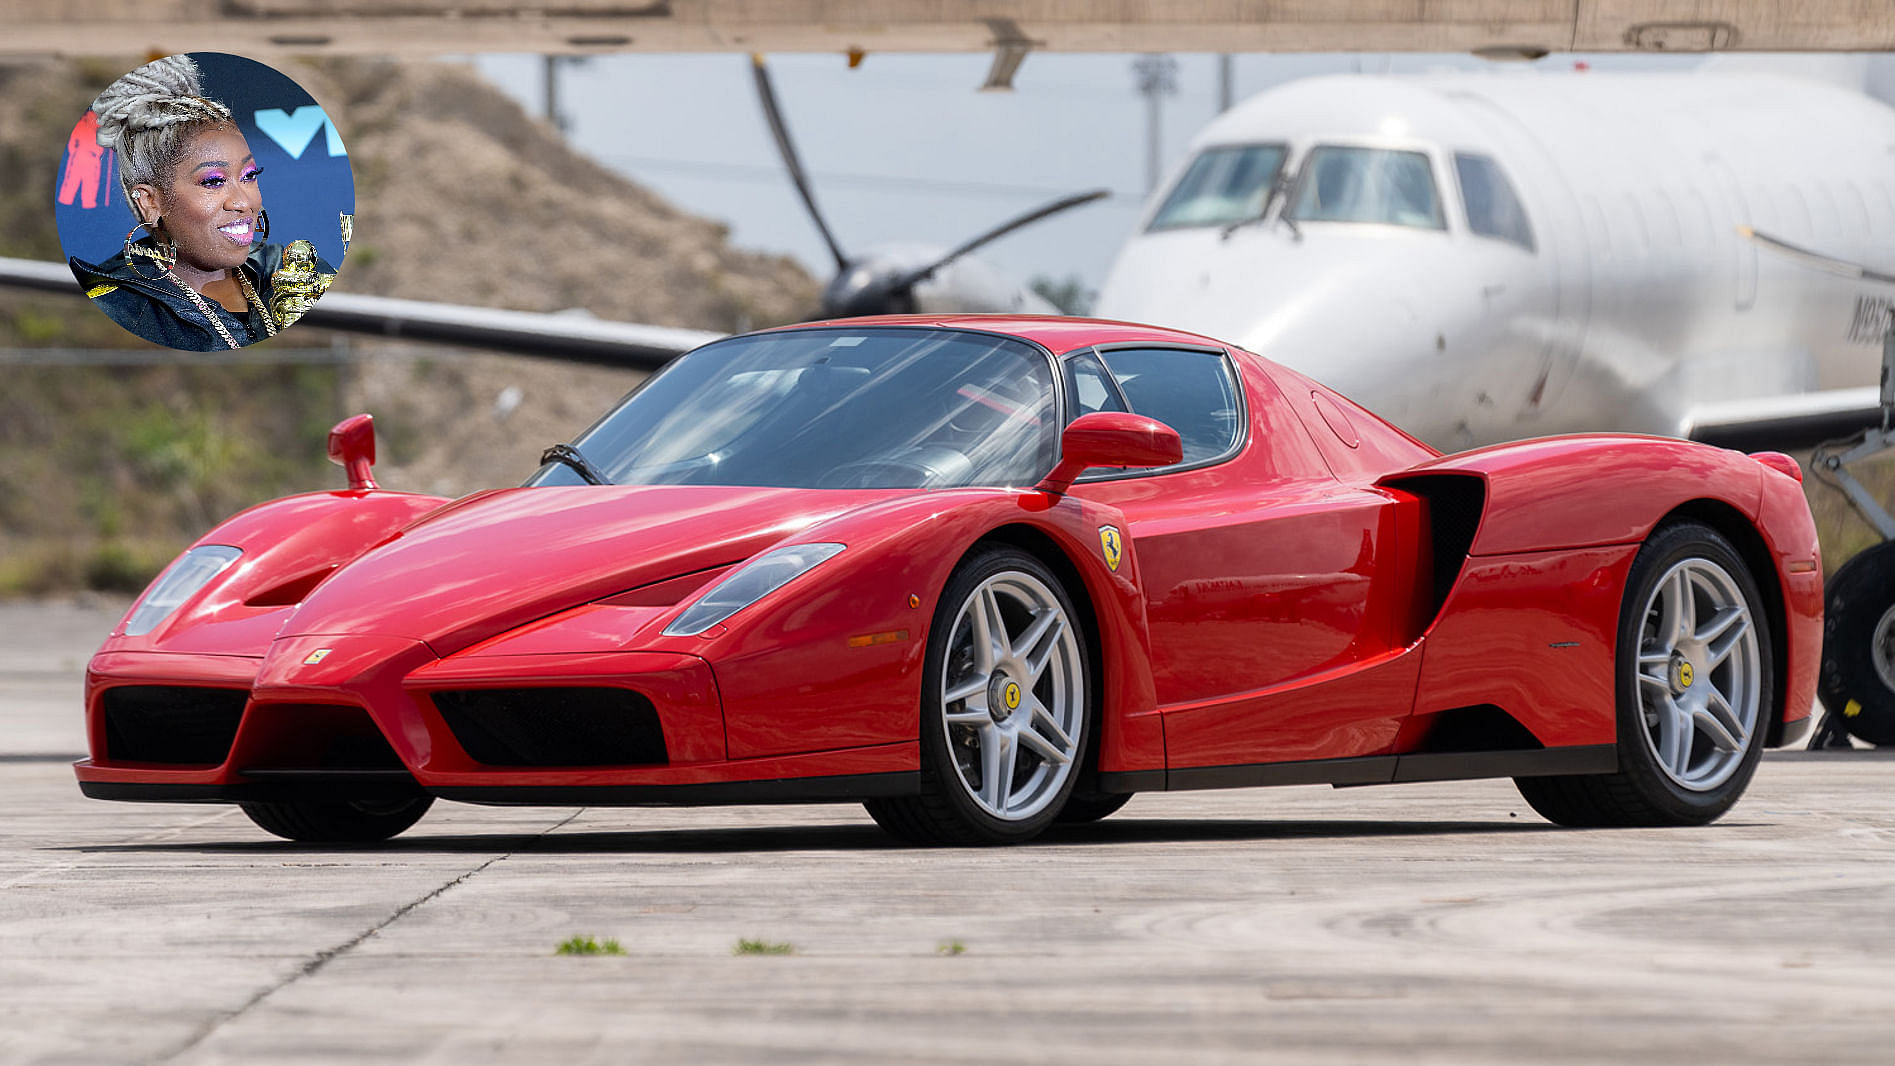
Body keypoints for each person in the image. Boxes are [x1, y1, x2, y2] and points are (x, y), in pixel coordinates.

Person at [67, 54, 337, 351]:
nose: (243, 202)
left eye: (249, 175)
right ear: (150, 201)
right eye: (213, 182)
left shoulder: (291, 271)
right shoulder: (116, 306)